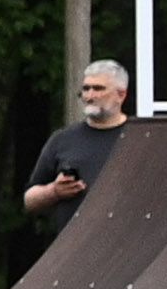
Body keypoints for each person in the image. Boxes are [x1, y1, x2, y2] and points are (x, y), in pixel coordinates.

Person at [23, 59, 133, 219]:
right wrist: (54, 191)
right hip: (77, 234)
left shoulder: (140, 136)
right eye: (86, 89)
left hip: (129, 231)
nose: (89, 96)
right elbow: (29, 199)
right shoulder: (62, 139)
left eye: (98, 89)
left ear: (121, 94)